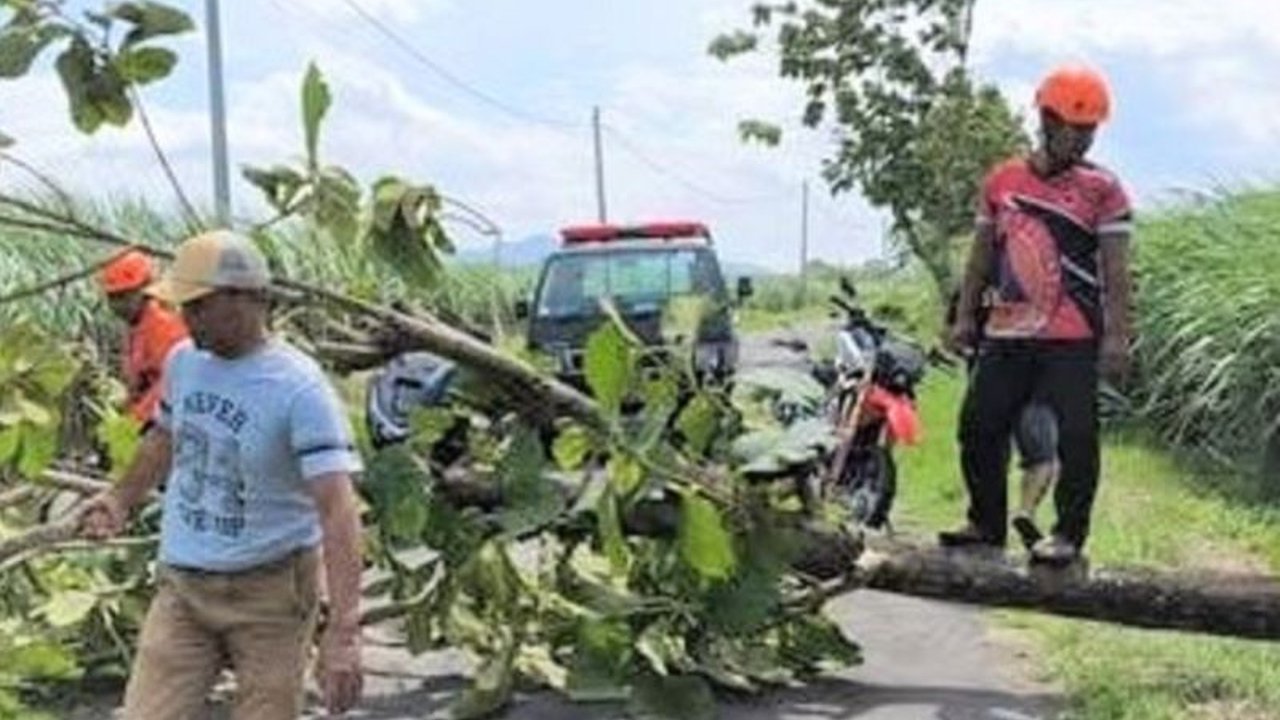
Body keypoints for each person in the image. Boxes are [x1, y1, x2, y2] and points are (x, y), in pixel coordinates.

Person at [80, 230, 365, 718]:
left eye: (197, 306)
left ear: (242, 298)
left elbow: (338, 511)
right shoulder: (185, 362)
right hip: (184, 588)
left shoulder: (299, 389)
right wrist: (119, 498)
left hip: (270, 596)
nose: (185, 319)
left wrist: (343, 632)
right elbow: (165, 437)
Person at [941, 64, 1134, 564]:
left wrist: (1117, 337)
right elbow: (981, 256)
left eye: (1091, 130)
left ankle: (1067, 535)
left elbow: (1117, 271)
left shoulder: (1103, 189)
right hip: (1007, 330)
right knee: (979, 425)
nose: (1084, 140)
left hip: (1073, 337)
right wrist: (964, 317)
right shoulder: (1003, 180)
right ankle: (985, 524)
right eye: (1075, 127)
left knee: (1077, 436)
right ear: (1046, 121)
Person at [945, 290, 1061, 551]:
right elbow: (953, 328)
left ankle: (1009, 517)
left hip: (1037, 364)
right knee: (983, 439)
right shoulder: (984, 275)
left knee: (1033, 443)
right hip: (1001, 363)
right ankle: (1003, 518)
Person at [99, 249, 190, 426]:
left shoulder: (162, 324)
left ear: (144, 290)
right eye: (112, 298)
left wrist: (136, 418)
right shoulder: (137, 325)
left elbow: (174, 380)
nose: (117, 305)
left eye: (124, 296)